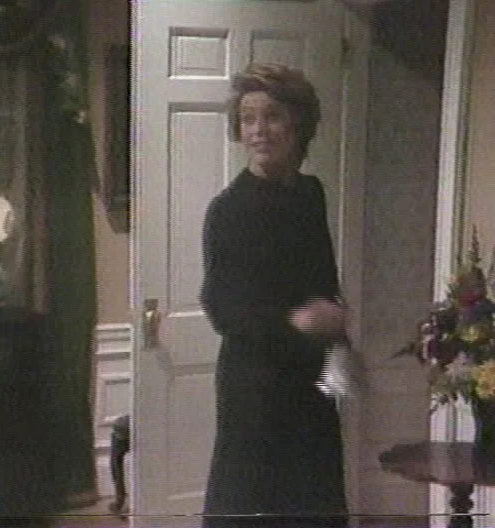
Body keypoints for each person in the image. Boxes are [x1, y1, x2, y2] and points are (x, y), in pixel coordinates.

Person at [200, 63, 349, 528]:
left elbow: (323, 279)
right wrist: (294, 322)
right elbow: (221, 307)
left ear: (297, 123)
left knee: (314, 505)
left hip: (311, 378)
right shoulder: (228, 210)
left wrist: (336, 318)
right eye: (248, 119)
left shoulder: (310, 194)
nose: (258, 130)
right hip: (255, 386)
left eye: (272, 116)